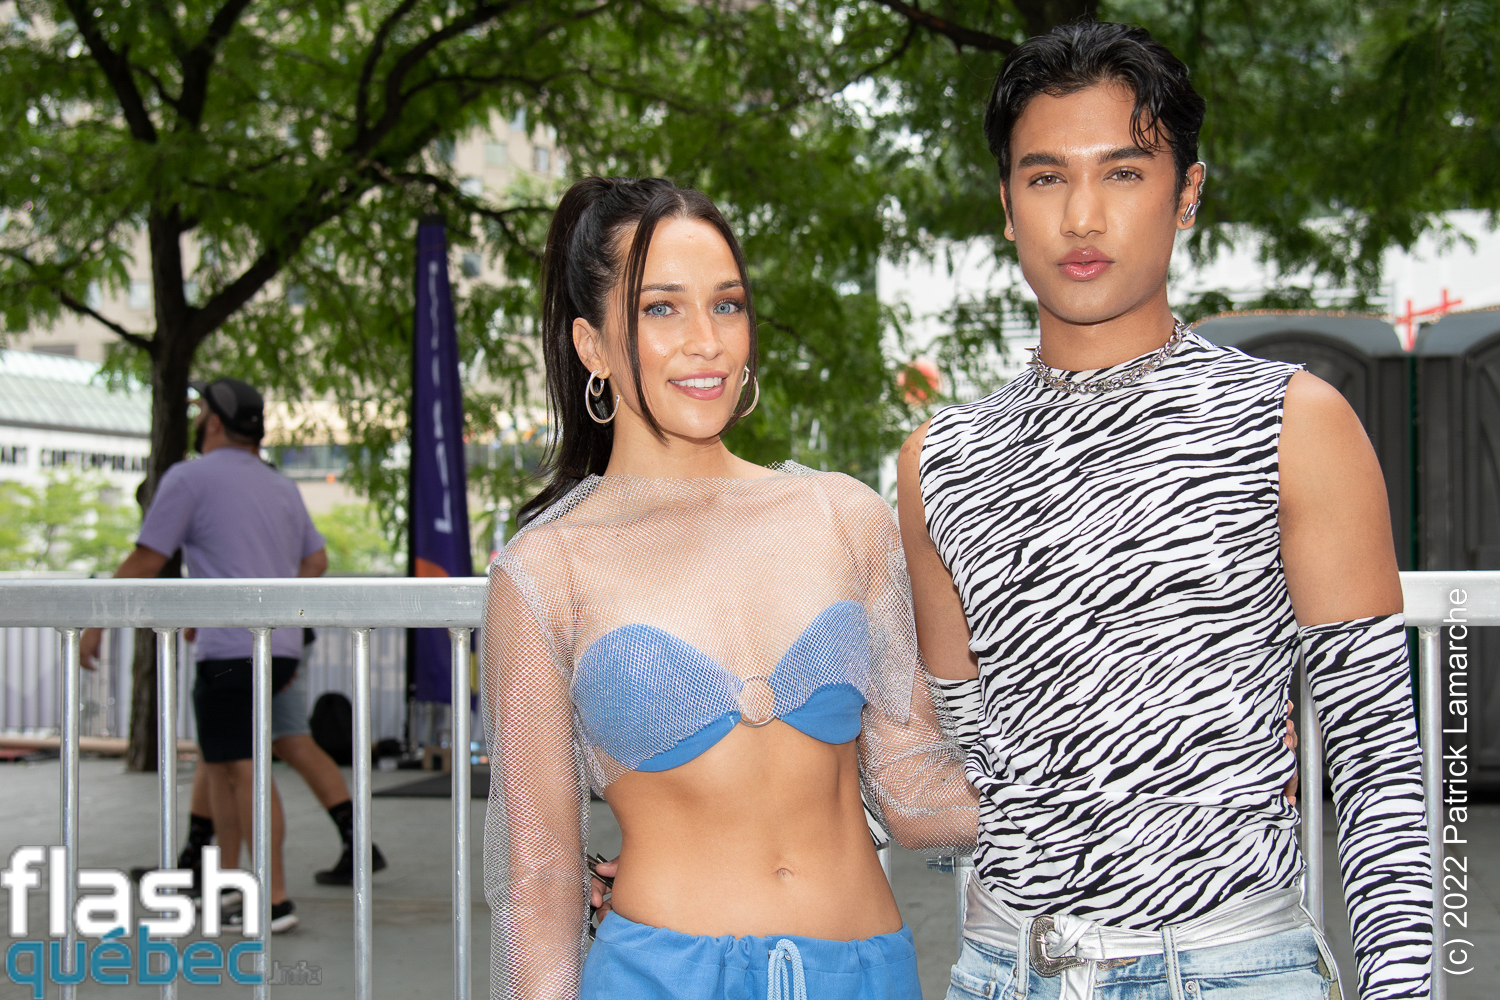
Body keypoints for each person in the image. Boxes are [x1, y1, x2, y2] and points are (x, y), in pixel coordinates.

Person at [897, 22, 1431, 1000]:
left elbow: (1377, 767)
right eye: (1046, 177)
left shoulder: (1291, 422)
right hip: (1007, 968)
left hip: (1229, 968)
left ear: (1188, 193)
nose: (1083, 216)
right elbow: (977, 746)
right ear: (1006, 205)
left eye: (1125, 173)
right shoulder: (941, 460)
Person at [482, 176, 978, 1000]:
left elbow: (916, 793)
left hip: (864, 974)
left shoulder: (842, 515)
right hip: (658, 977)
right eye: (661, 308)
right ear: (592, 346)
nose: (706, 341)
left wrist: (1121, 775)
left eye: (727, 305)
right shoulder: (546, 570)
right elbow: (540, 880)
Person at [82, 378, 330, 932]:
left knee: (241, 770)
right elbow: (316, 561)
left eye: (199, 411)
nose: (196, 419)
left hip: (228, 649)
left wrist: (94, 622)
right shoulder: (280, 485)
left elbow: (147, 559)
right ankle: (227, 885)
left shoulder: (189, 477)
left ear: (215, 421)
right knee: (220, 767)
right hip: (278, 647)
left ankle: (274, 899)